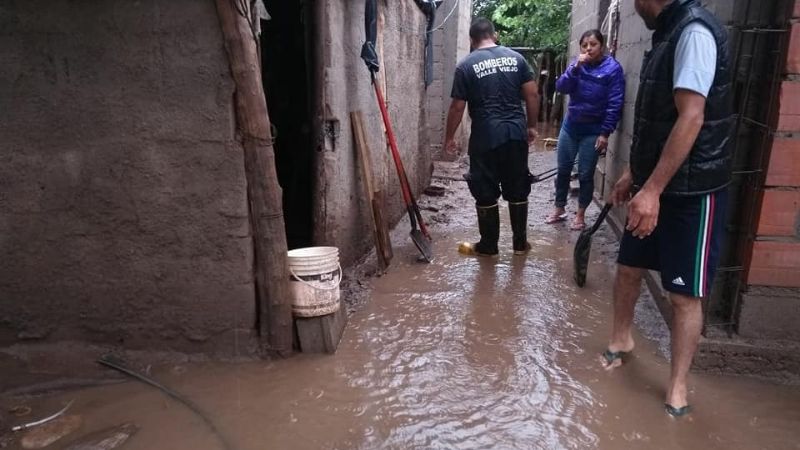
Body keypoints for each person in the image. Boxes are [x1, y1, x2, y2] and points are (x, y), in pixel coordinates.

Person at [602, 0, 733, 418]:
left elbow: (691, 117)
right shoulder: (666, 34)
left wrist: (653, 189)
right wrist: (632, 172)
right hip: (653, 182)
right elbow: (654, 119)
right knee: (628, 269)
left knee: (683, 294)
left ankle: (677, 385)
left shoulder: (693, 32)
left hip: (692, 190)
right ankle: (622, 338)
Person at [444, 18, 540, 256]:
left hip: (485, 136)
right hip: (515, 133)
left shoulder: (465, 65)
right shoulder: (517, 59)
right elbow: (533, 94)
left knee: (484, 188)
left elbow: (457, 107)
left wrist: (449, 138)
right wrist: (532, 126)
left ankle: (489, 246)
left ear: (471, 40)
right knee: (518, 186)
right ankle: (520, 245)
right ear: (494, 36)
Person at [547, 30, 624, 230]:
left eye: (593, 44)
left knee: (585, 173)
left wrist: (605, 133)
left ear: (602, 46)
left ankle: (580, 215)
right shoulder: (576, 64)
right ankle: (559, 208)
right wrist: (575, 68)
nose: (588, 48)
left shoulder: (612, 69)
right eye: (584, 45)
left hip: (593, 130)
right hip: (571, 126)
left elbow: (615, 103)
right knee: (563, 169)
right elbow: (561, 87)